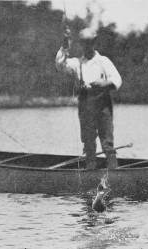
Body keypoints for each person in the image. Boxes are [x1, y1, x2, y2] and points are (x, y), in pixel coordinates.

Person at [55, 28, 122, 170]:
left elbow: (117, 80)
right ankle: (90, 172)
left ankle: (114, 173)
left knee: (107, 143)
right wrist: (65, 46)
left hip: (103, 106)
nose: (86, 46)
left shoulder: (103, 61)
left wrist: (103, 84)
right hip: (85, 106)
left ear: (94, 42)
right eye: (83, 43)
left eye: (89, 42)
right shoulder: (76, 63)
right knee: (88, 142)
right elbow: (60, 65)